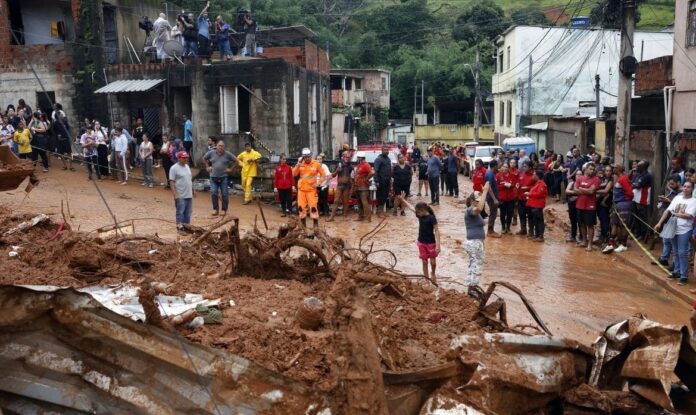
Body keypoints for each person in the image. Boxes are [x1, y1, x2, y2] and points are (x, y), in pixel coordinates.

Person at [656, 180, 696, 286]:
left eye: (688, 187)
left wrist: (678, 214)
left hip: (685, 229)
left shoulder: (694, 201)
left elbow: (690, 215)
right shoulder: (677, 198)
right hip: (673, 228)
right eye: (684, 186)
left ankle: (684, 276)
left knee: (682, 252)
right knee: (675, 251)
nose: (686, 188)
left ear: (692, 189)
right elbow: (667, 211)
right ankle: (676, 272)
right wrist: (659, 223)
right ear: (682, 187)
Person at [398, 197, 440, 284]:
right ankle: (426, 279)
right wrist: (403, 200)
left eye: (418, 212)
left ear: (423, 210)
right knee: (424, 262)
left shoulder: (432, 218)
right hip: (421, 242)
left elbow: (436, 231)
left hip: (431, 243)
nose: (417, 214)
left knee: (433, 262)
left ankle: (433, 273)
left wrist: (438, 245)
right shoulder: (420, 215)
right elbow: (411, 207)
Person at [292, 148, 326, 231]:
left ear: (311, 156)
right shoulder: (300, 163)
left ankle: (315, 224)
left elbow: (323, 175)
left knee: (313, 207)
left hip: (311, 190)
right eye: (305, 157)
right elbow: (294, 173)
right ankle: (303, 225)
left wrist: (318, 183)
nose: (307, 158)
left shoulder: (316, 164)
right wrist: (298, 164)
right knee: (301, 207)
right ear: (303, 157)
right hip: (301, 189)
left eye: (308, 157)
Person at [463, 181, 490, 287]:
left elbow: (481, 210)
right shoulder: (470, 210)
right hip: (473, 242)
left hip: (477, 242)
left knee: (474, 265)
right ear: (472, 201)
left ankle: (470, 286)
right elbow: (479, 208)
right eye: (477, 201)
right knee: (476, 266)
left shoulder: (476, 213)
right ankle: (472, 288)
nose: (479, 203)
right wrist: (485, 192)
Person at [603, 165, 633, 254]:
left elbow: (630, 193)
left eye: (614, 168)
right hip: (617, 204)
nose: (613, 169)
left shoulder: (624, 179)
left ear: (618, 169)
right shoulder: (619, 178)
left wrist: (623, 201)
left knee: (623, 225)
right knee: (614, 223)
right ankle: (611, 244)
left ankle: (623, 245)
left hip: (623, 204)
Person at [204, 140, 236, 216]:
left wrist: (230, 169)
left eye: (222, 146)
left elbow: (236, 160)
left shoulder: (227, 154)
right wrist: (207, 167)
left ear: (224, 147)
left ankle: (224, 210)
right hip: (213, 177)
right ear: (216, 146)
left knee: (224, 194)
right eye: (219, 146)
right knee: (214, 193)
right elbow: (204, 158)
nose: (221, 147)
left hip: (223, 177)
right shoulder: (211, 153)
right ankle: (215, 209)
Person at [656, 175, 681, 267]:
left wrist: (669, 201)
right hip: (667, 219)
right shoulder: (670, 191)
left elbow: (678, 207)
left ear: (678, 183)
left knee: (675, 244)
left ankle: (675, 264)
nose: (670, 185)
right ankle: (664, 259)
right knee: (666, 240)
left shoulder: (681, 194)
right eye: (669, 183)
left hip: (675, 220)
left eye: (672, 184)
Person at [575, 163, 601, 251]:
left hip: (590, 206)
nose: (592, 171)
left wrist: (581, 189)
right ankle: (584, 241)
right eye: (590, 169)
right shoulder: (580, 178)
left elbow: (591, 192)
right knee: (581, 224)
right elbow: (575, 190)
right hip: (579, 205)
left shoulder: (596, 179)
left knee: (590, 225)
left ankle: (590, 244)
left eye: (593, 169)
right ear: (585, 169)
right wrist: (587, 190)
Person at [169, 151, 194, 234]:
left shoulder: (187, 166)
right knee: (180, 212)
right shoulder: (174, 168)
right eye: (184, 158)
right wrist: (175, 194)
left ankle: (187, 228)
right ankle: (179, 228)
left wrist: (193, 190)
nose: (186, 159)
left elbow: (189, 179)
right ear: (179, 158)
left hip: (189, 194)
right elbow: (171, 182)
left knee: (188, 213)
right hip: (180, 195)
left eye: (186, 157)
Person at [327, 152, 353, 221]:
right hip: (339, 186)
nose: (347, 158)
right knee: (336, 201)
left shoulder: (350, 167)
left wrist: (351, 188)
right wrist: (337, 171)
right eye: (346, 157)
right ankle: (332, 217)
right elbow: (333, 175)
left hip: (347, 186)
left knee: (345, 202)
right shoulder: (339, 165)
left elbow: (351, 178)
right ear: (343, 157)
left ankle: (345, 216)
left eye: (348, 157)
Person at [631, 160, 653, 241]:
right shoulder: (637, 174)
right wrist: (634, 184)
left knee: (642, 218)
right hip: (636, 198)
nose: (636, 167)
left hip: (642, 199)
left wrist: (634, 184)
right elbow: (632, 183)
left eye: (638, 166)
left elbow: (638, 185)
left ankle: (643, 235)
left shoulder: (647, 176)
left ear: (643, 167)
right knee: (636, 216)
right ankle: (637, 233)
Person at [526, 170, 548, 242]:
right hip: (534, 204)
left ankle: (540, 236)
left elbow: (539, 194)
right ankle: (537, 235)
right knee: (536, 220)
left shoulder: (542, 184)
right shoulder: (537, 183)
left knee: (539, 220)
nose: (533, 175)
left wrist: (529, 194)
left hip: (538, 205)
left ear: (537, 176)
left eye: (534, 174)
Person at [496, 162, 517, 234]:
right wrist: (504, 185)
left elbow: (514, 184)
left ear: (508, 168)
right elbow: (496, 186)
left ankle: (508, 228)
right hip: (502, 198)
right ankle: (503, 227)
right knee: (502, 213)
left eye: (506, 167)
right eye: (504, 167)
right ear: (502, 167)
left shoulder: (512, 175)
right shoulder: (498, 175)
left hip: (511, 198)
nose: (505, 168)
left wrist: (510, 185)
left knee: (510, 213)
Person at [354, 152, 374, 222]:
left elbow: (372, 172)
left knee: (364, 202)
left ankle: (368, 218)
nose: (357, 158)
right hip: (358, 186)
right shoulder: (360, 165)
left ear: (360, 158)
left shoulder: (366, 165)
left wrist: (366, 179)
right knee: (359, 203)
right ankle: (361, 216)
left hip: (363, 187)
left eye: (358, 157)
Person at [374, 145, 393, 217]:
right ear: (381, 151)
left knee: (385, 196)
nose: (386, 151)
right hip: (381, 181)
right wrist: (376, 181)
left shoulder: (388, 159)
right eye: (385, 150)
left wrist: (390, 180)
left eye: (387, 150)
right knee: (381, 197)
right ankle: (379, 212)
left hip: (387, 180)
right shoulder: (379, 159)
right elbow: (375, 171)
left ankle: (381, 211)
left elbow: (389, 170)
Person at [485, 160, 501, 238]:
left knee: (493, 213)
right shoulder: (490, 175)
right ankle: (490, 231)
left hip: (492, 196)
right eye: (497, 165)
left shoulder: (491, 173)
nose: (498, 167)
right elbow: (489, 187)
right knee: (493, 213)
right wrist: (494, 199)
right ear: (495, 166)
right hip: (491, 197)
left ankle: (491, 230)